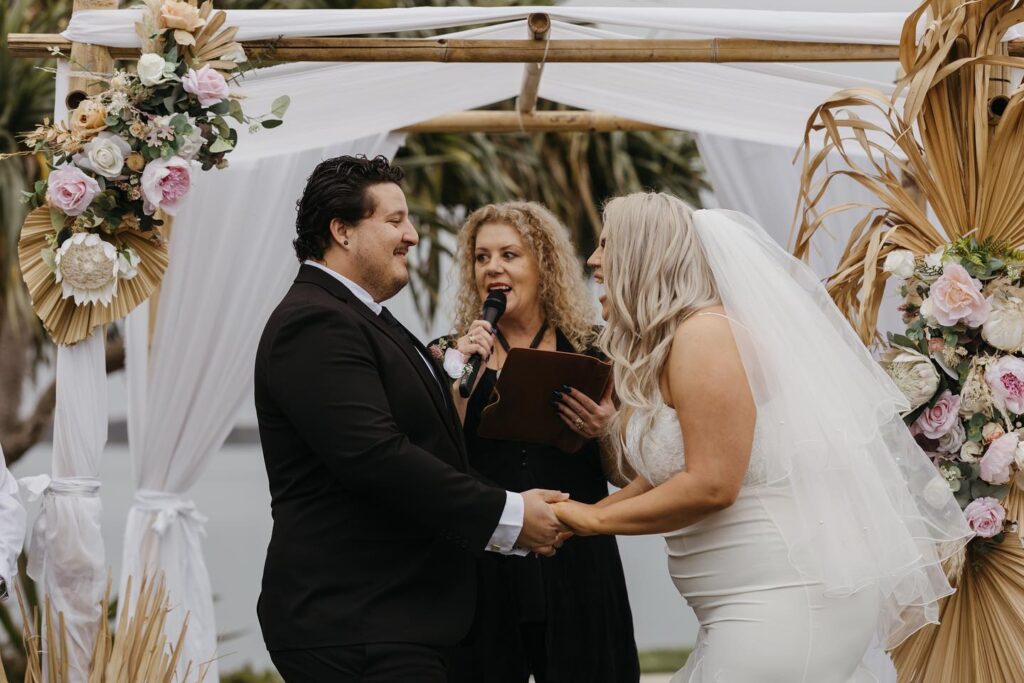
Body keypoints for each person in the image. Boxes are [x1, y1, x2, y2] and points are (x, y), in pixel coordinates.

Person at [552, 192, 973, 682]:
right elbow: (667, 472)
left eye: (606, 245)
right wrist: (580, 515)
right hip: (747, 604)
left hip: (786, 597)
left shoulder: (705, 336)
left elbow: (712, 483)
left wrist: (593, 523)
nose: (593, 260)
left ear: (646, 253)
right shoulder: (681, 341)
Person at [254, 156, 569, 682]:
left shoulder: (362, 316)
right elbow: (377, 458)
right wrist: (510, 514)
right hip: (356, 623)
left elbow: (432, 447)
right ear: (342, 231)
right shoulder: (314, 321)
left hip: (394, 620)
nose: (413, 236)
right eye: (395, 221)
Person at [436, 201, 639, 683]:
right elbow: (436, 455)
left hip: (578, 557)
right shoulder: (452, 353)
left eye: (510, 254)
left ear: (543, 263)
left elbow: (629, 474)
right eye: (481, 257)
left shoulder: (596, 348)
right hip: (485, 560)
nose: (493, 268)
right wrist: (462, 373)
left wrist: (605, 427)